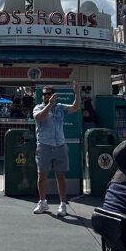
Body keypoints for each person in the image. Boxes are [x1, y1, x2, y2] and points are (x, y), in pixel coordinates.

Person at [32, 84, 81, 216]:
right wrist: (49, 105)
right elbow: (39, 118)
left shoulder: (60, 107)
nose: (46, 95)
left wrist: (77, 93)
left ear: (54, 94)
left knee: (61, 176)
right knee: (42, 175)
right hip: (44, 145)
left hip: (60, 145)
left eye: (49, 93)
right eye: (44, 94)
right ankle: (42, 202)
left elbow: (75, 107)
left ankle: (63, 204)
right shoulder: (38, 107)